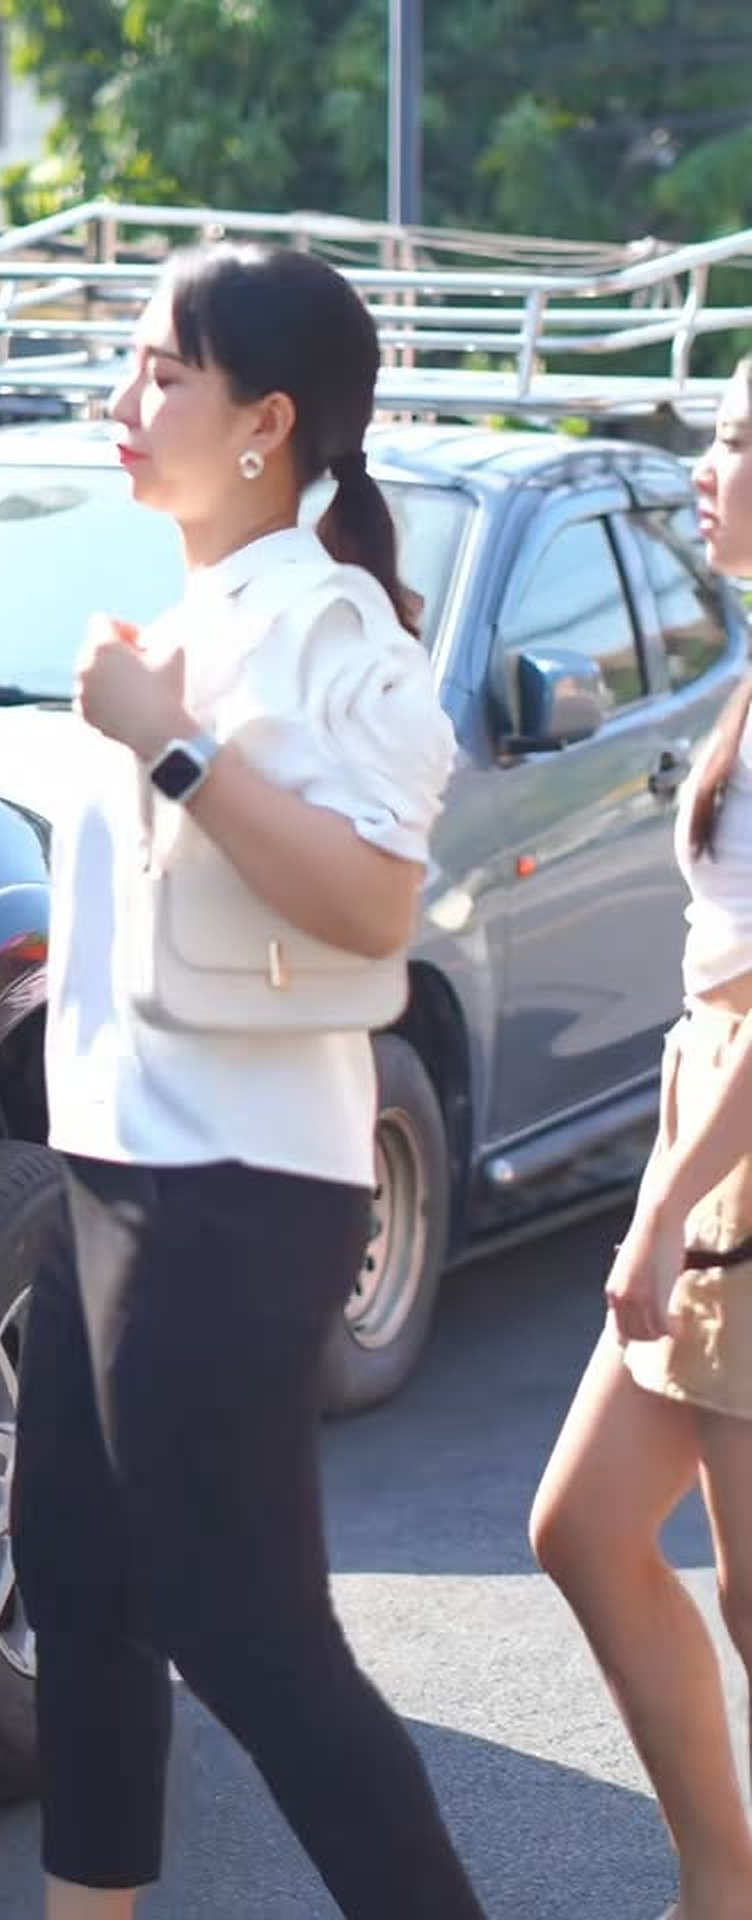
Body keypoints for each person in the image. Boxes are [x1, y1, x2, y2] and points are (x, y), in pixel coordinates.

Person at [10, 241, 487, 1920]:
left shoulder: (325, 625)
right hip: (110, 1168)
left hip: (239, 1188)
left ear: (268, 422)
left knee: (242, 1626)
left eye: (164, 372)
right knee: (83, 1594)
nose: (124, 399)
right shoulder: (195, 619)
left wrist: (170, 739)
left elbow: (373, 907)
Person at [530, 352, 752, 1920]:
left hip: (736, 1144)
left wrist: (666, 1208)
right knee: (590, 1527)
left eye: (735, 440)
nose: (703, 467)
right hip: (713, 1117)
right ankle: (719, 1888)